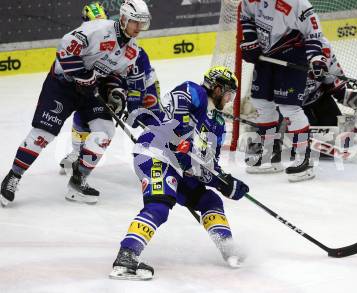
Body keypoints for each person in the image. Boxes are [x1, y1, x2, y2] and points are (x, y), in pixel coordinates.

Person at [0, 0, 151, 207]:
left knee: (104, 132)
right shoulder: (98, 29)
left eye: (142, 24)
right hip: (62, 85)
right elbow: (64, 50)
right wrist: (83, 75)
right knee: (43, 134)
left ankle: (78, 182)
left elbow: (116, 75)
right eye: (135, 22)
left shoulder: (132, 50)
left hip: (91, 91)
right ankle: (13, 177)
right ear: (124, 18)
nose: (138, 28)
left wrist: (116, 92)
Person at [109, 66, 249, 281]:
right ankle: (125, 258)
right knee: (160, 204)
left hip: (179, 166)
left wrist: (224, 182)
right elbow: (178, 99)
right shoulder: (196, 92)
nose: (230, 100)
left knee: (210, 200)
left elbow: (208, 166)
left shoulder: (218, 125)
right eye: (229, 94)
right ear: (219, 89)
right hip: (155, 153)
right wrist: (180, 132)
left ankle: (228, 247)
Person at [59, 4, 161, 178]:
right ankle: (77, 153)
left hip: (143, 84)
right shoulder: (89, 44)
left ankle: (163, 154)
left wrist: (131, 105)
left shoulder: (131, 49)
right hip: (113, 85)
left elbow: (136, 84)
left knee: (152, 116)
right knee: (85, 114)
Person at [240, 0, 332, 182]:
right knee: (262, 103)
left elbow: (313, 34)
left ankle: (304, 159)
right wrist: (250, 39)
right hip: (265, 54)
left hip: (292, 54)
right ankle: (270, 155)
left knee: (289, 108)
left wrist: (316, 59)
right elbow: (245, 15)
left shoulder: (298, 4)